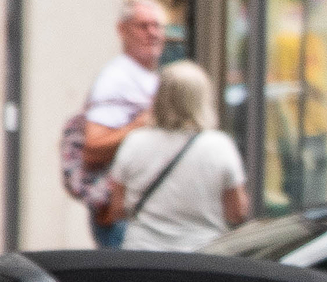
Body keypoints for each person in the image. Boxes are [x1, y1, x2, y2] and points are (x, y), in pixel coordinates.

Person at [105, 61, 250, 251]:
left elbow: (116, 209)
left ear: (160, 97)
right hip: (201, 256)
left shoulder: (134, 142)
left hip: (141, 257)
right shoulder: (219, 145)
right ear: (202, 100)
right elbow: (237, 212)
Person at [81, 0, 167, 248]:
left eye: (157, 26)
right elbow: (93, 148)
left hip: (140, 213)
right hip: (122, 216)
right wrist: (141, 125)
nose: (152, 33)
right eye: (143, 26)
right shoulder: (116, 78)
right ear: (122, 30)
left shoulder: (145, 75)